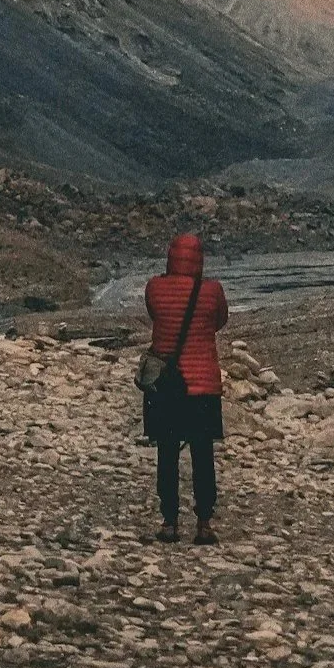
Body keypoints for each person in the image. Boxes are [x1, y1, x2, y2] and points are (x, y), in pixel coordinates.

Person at [143, 232, 228, 544]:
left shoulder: (154, 287)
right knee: (203, 454)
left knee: (167, 452)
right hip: (203, 384)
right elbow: (219, 321)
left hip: (166, 386)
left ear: (170, 256)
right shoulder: (212, 291)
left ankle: (169, 522)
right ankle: (204, 523)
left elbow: (155, 316)